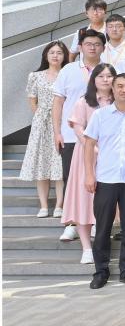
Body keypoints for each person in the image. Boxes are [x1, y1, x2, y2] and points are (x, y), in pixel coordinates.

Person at [83, 72, 125, 289]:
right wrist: (89, 174)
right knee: (103, 228)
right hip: (105, 179)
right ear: (113, 88)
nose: (124, 90)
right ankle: (101, 271)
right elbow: (89, 145)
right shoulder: (100, 115)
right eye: (120, 86)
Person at [59, 64, 115, 255]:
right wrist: (93, 147)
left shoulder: (118, 101)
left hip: (112, 157)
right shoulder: (84, 101)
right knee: (83, 200)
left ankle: (101, 241)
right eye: (101, 76)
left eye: (109, 76)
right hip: (86, 155)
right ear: (94, 79)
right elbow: (78, 128)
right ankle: (86, 248)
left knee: (106, 201)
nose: (105, 79)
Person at [53, 29, 105, 206]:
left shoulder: (109, 70)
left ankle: (97, 217)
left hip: (103, 136)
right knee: (71, 177)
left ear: (103, 48)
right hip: (71, 135)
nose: (93, 48)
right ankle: (72, 217)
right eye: (88, 44)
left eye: (97, 44)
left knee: (101, 179)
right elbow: (58, 102)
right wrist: (57, 132)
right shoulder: (68, 69)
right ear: (80, 47)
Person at [20, 41, 69, 218]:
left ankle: (59, 205)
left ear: (64, 56)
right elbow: (32, 100)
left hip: (62, 123)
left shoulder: (68, 74)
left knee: (59, 165)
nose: (55, 56)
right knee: (41, 164)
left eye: (59, 53)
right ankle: (43, 206)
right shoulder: (35, 76)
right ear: (46, 56)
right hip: (41, 124)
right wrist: (41, 117)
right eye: (52, 52)